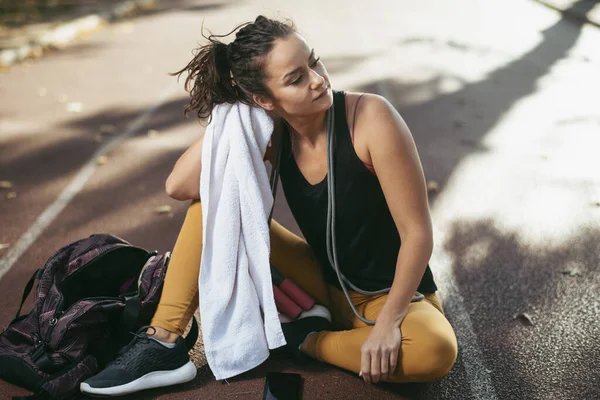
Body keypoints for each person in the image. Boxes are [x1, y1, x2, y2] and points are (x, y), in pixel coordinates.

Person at [80, 15, 458, 397]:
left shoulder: (370, 118)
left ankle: (308, 340)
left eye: (314, 61)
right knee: (212, 201)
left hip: (393, 297)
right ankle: (163, 341)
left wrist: (390, 322)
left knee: (434, 351)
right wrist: (233, 116)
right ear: (264, 99)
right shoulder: (273, 134)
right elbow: (179, 186)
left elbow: (417, 234)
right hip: (323, 284)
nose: (317, 79)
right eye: (295, 78)